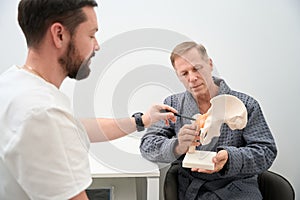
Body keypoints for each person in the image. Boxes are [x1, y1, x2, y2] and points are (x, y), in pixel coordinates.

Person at [0, 1, 177, 199]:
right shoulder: (45, 113)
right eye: (91, 35)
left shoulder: (12, 83)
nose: (97, 45)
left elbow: (80, 128)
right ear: (59, 35)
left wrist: (143, 120)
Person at [140, 41, 277, 200]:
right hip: (192, 189)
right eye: (184, 73)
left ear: (210, 64)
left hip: (238, 189)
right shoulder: (173, 105)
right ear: (178, 76)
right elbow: (147, 146)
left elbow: (266, 152)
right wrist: (178, 145)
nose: (192, 78)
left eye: (196, 68)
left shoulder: (246, 105)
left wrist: (230, 158)